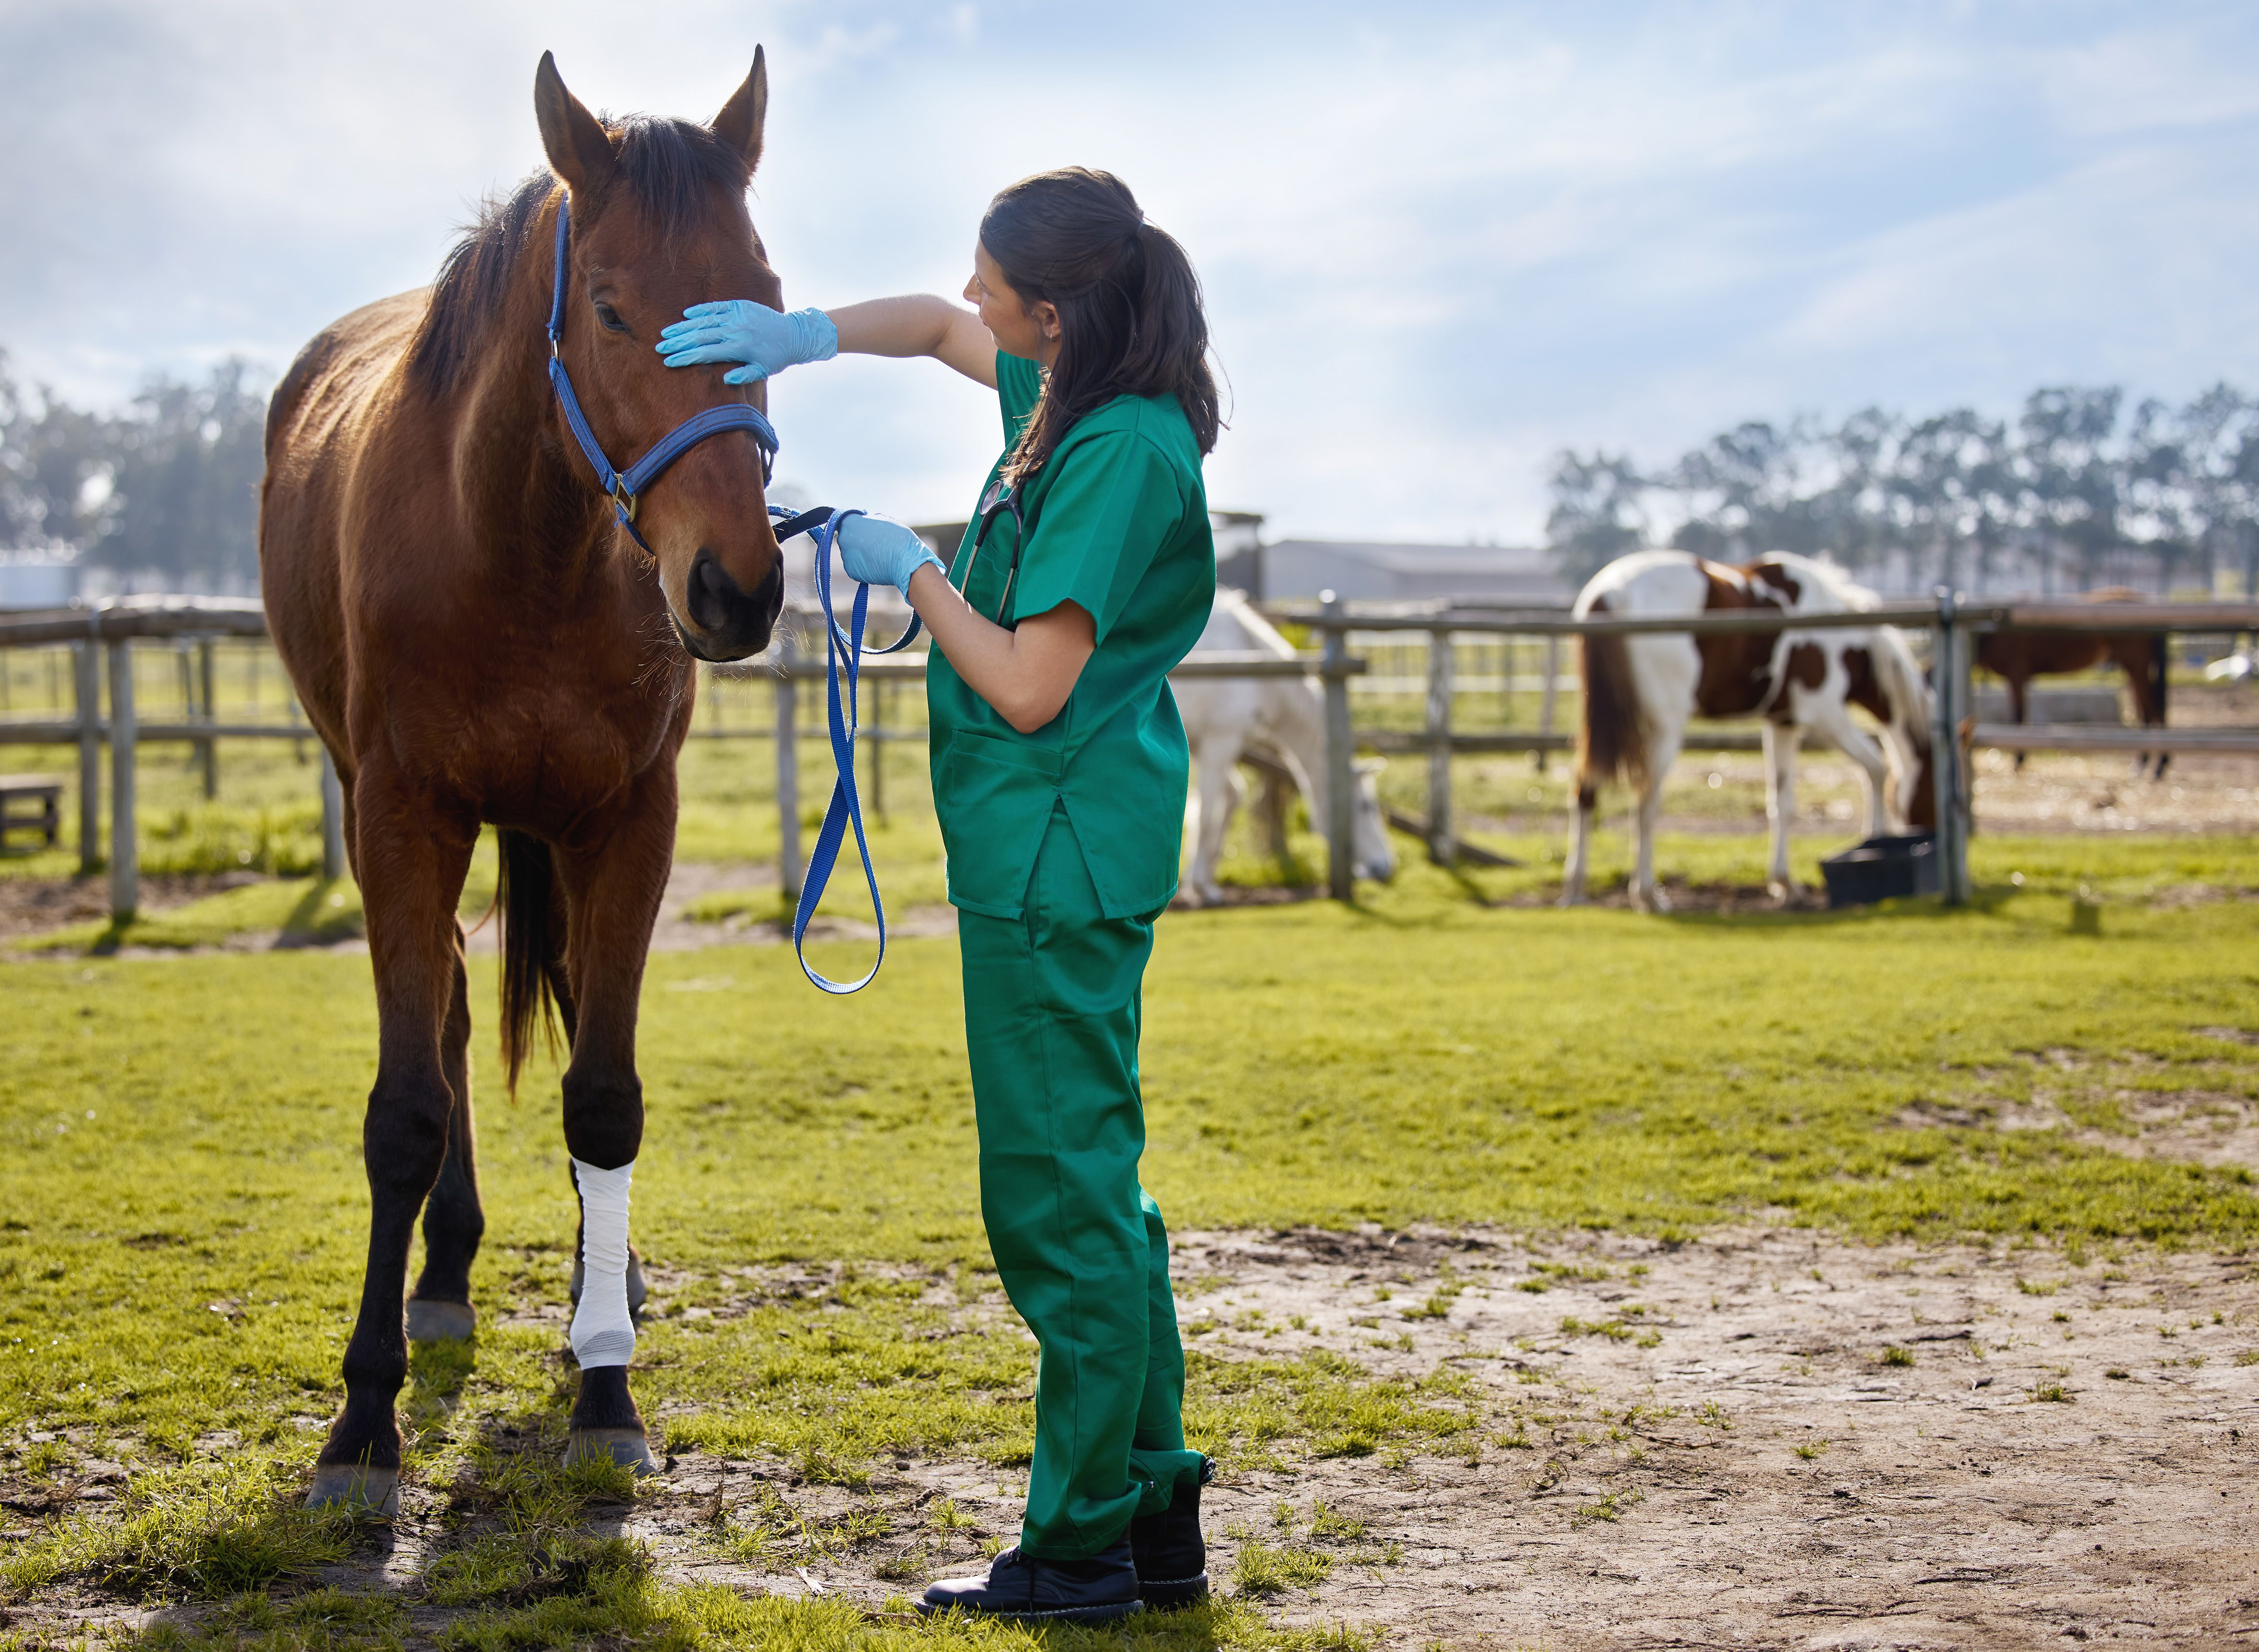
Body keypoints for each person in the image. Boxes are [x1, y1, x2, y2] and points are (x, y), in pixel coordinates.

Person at [659, 167, 1220, 1624]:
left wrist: (917, 571)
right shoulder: (1076, 396)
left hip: (1053, 850)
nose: (970, 304)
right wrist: (801, 336)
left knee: (1057, 1205)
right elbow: (921, 327)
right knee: (1107, 1190)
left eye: (992, 289)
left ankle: (1078, 1545)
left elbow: (1032, 685)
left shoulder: (1111, 449)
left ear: (1056, 307)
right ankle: (1151, 1513)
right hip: (1059, 849)